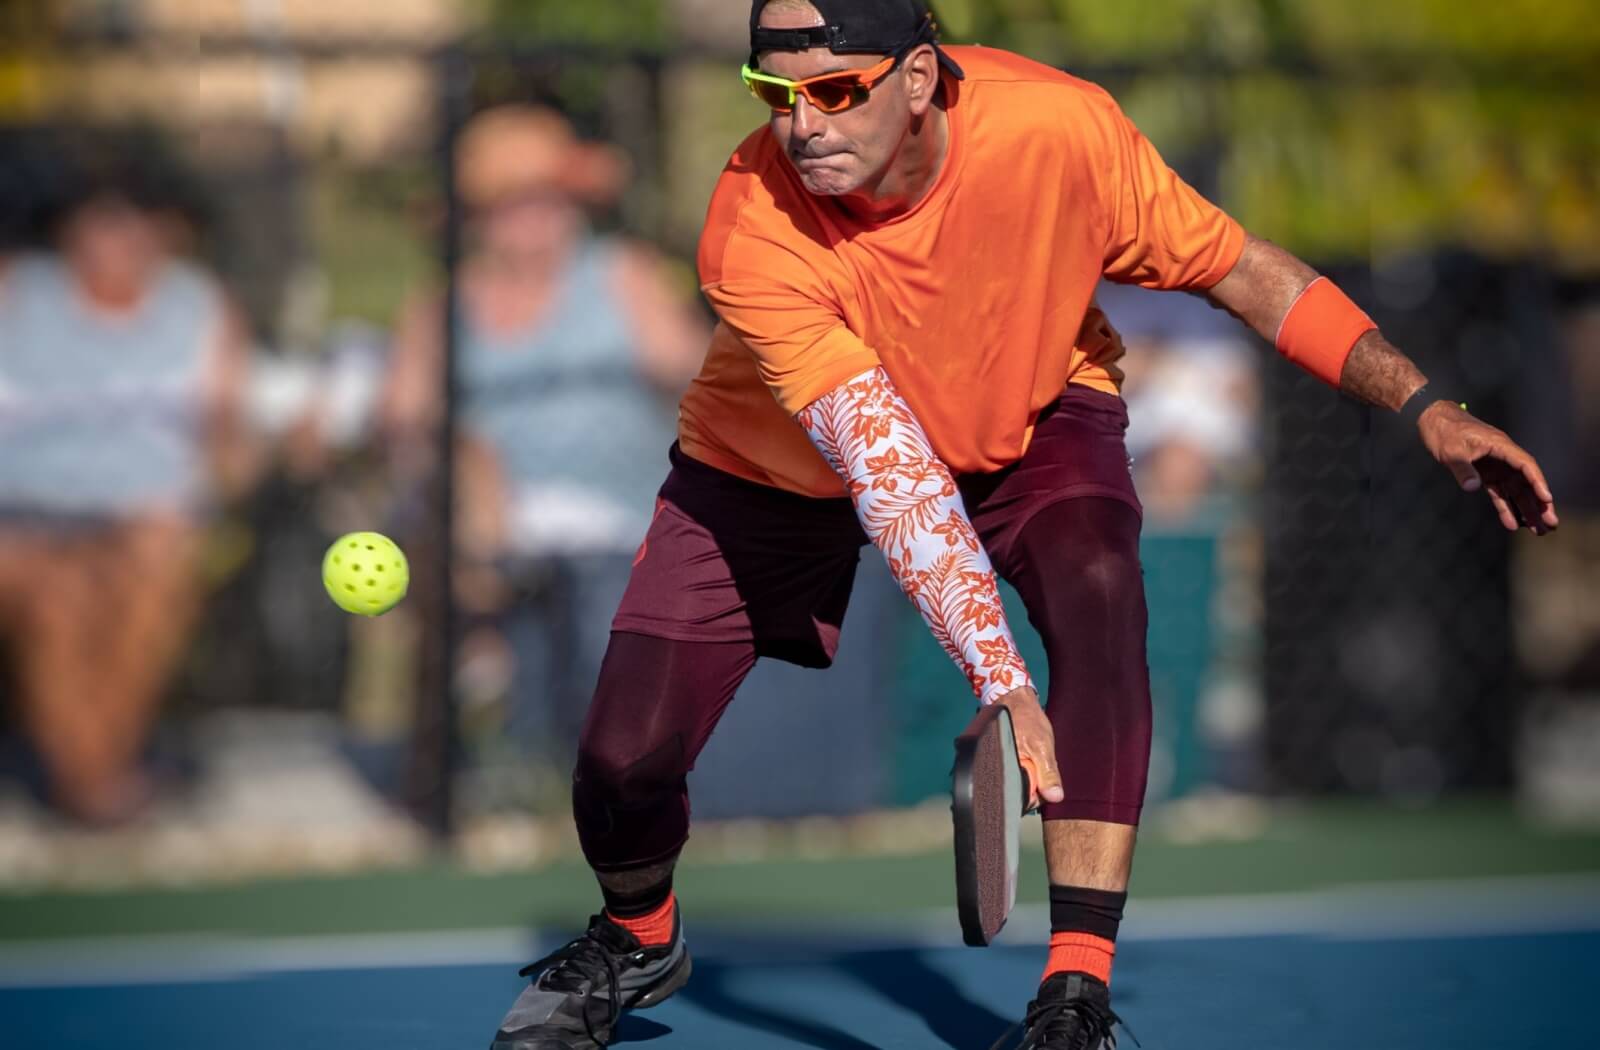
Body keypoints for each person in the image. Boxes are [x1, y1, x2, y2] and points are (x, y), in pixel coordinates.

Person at [488, 3, 1561, 1048]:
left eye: (834, 91)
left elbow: (1238, 270)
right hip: (774, 458)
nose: (801, 123)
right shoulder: (752, 218)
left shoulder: (1060, 132)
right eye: (774, 95)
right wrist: (999, 679)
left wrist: (1422, 404)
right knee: (622, 760)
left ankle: (1074, 995)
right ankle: (636, 937)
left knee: (1098, 590)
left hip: (1031, 405)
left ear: (916, 79)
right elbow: (888, 468)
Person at [381, 105, 707, 786]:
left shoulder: (624, 275)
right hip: (484, 517)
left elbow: (700, 384)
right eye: (513, 205)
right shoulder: (441, 305)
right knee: (462, 461)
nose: (538, 219)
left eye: (550, 200)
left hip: (618, 505)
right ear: (475, 219)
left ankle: (492, 674)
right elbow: (404, 423)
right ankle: (487, 672)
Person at [0, 141, 251, 825]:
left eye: (136, 219)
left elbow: (229, 443)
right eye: (99, 218)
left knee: (157, 557)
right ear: (67, 226)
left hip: (145, 519)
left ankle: (89, 777)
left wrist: (222, 485)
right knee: (54, 586)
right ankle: (97, 782)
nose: (118, 236)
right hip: (18, 520)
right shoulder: (17, 293)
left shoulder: (199, 306)